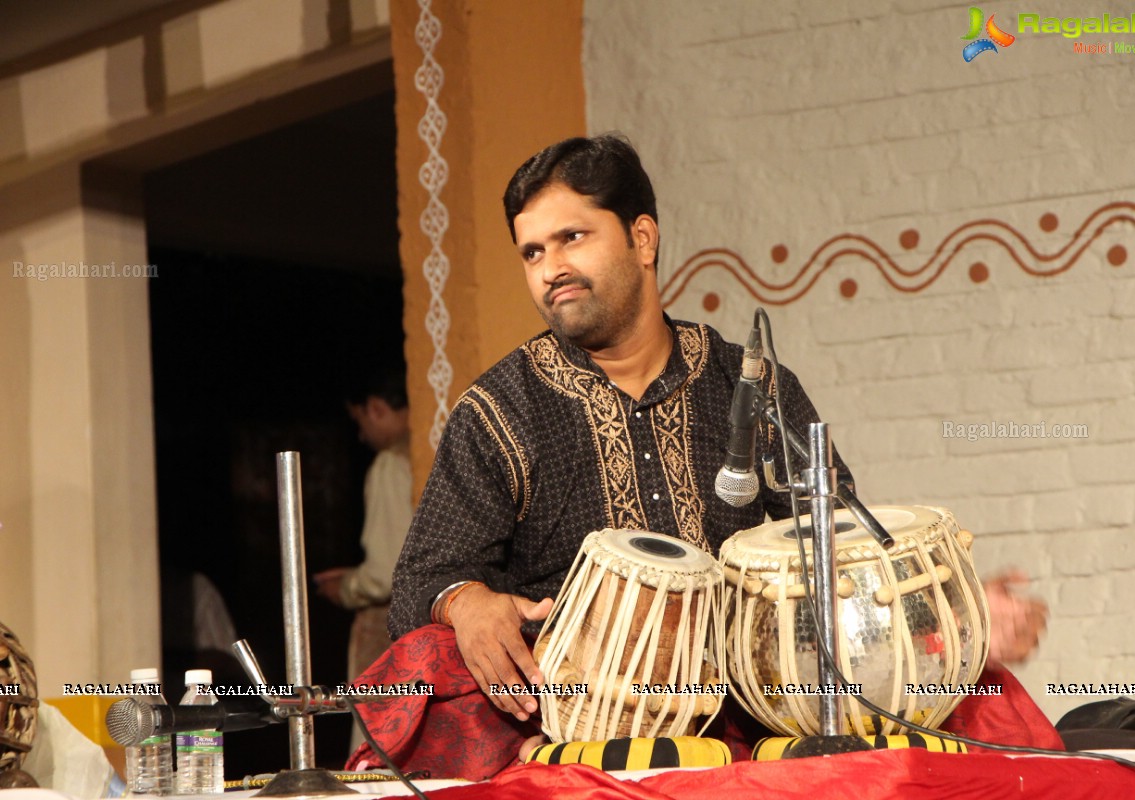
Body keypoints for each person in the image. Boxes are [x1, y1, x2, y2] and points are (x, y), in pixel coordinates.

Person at [354, 134, 1050, 778]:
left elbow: (843, 554)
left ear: (642, 238)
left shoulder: (754, 388)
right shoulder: (500, 410)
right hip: (570, 723)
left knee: (981, 698)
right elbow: (421, 578)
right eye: (533, 253)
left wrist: (947, 617)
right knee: (427, 660)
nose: (552, 269)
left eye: (571, 238)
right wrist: (467, 603)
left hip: (754, 706)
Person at [315, 368, 413, 689]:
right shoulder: (432, 448)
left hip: (398, 638)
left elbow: (386, 575)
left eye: (360, 421)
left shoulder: (391, 463)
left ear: (376, 409)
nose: (361, 434)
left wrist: (345, 587)